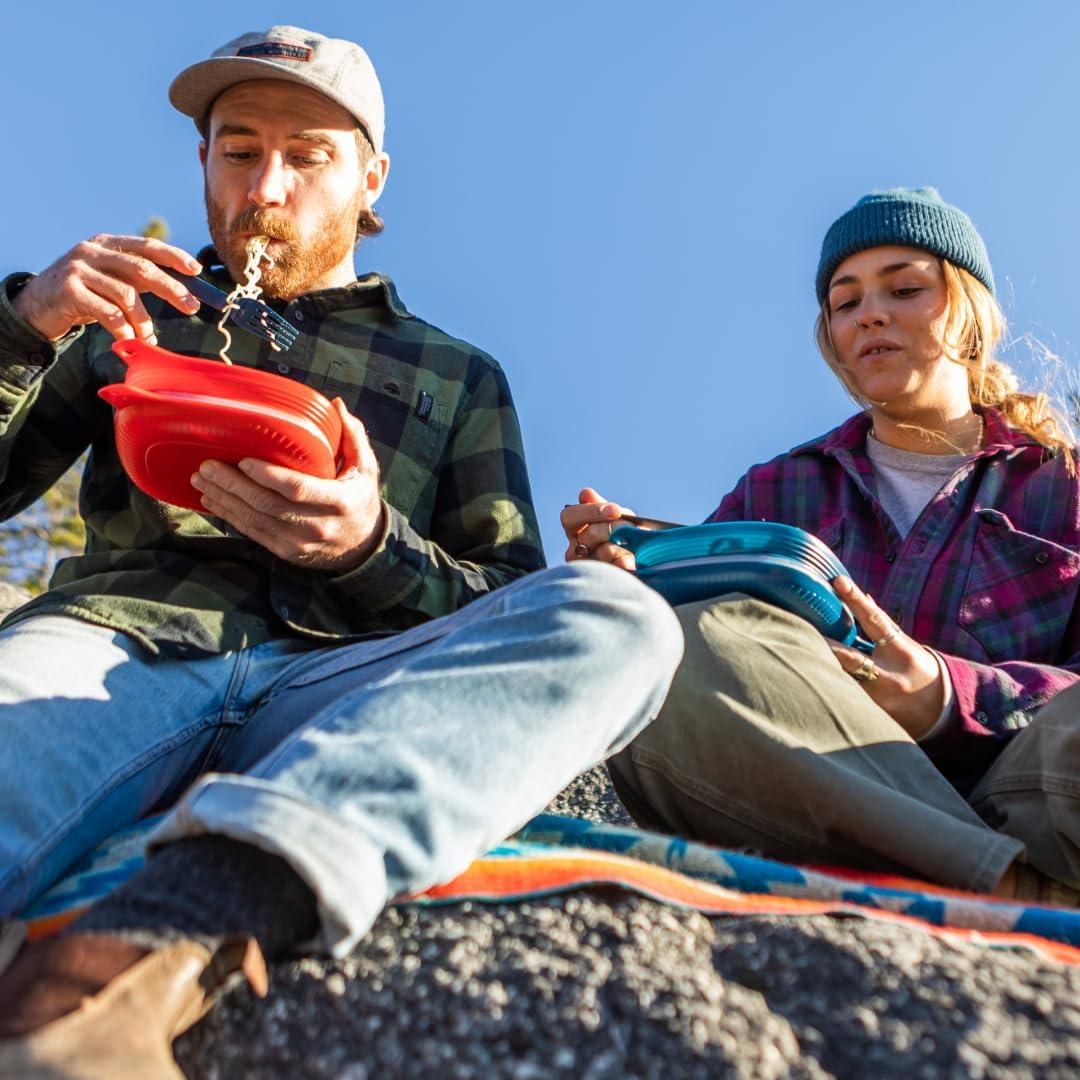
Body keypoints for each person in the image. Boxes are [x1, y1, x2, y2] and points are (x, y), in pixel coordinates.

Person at [0, 26, 683, 1075]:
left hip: (346, 685)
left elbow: (499, 597)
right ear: (203, 161)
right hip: (112, 646)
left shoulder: (458, 374)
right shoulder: (122, 319)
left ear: (371, 178)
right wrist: (22, 325)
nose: (265, 188)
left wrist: (367, 547)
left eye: (308, 155)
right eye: (239, 151)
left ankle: (173, 924)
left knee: (620, 619)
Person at [563, 187, 1080, 907]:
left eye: (904, 288)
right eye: (845, 301)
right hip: (819, 778)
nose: (870, 312)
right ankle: (1010, 891)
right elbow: (716, 653)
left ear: (970, 313)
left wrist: (946, 696)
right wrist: (622, 576)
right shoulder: (776, 489)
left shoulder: (1066, 485)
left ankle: (965, 875)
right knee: (667, 646)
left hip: (1026, 793)